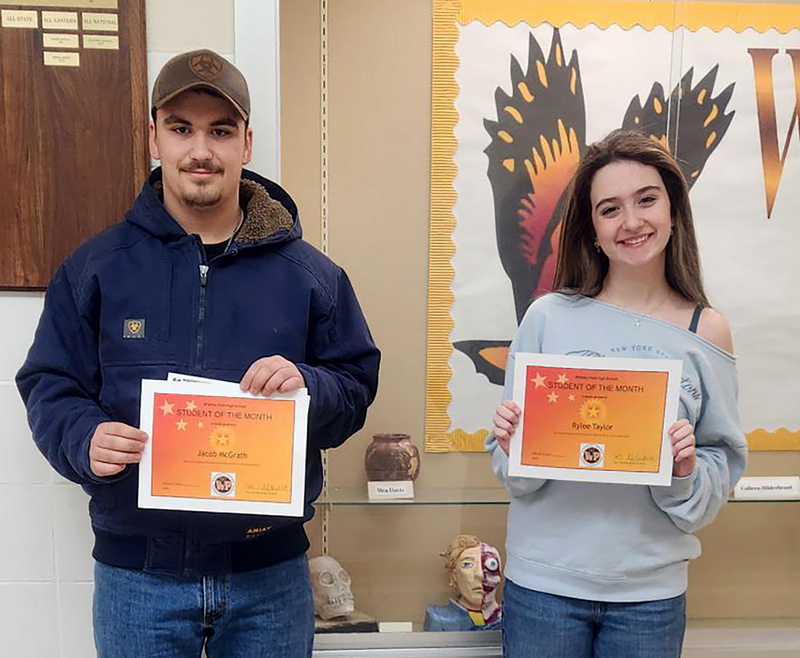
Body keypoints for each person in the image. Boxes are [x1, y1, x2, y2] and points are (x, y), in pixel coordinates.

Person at [16, 49, 380, 658]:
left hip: (269, 576)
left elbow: (355, 385)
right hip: (139, 580)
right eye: (181, 128)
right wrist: (84, 438)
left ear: (247, 143)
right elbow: (49, 382)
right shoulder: (95, 267)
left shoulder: (310, 275)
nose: (201, 150)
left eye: (221, 130)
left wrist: (309, 387)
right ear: (153, 137)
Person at [488, 130, 747, 657]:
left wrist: (685, 472)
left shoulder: (707, 330)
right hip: (543, 588)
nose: (631, 222)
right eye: (610, 209)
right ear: (594, 230)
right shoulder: (546, 317)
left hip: (650, 596)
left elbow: (721, 463)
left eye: (647, 200)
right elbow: (511, 470)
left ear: (674, 211)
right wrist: (514, 443)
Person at [424, 534, 503, 631]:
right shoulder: (439, 619)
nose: (480, 574)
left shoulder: (510, 619)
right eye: (467, 564)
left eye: (491, 564)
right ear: (454, 576)